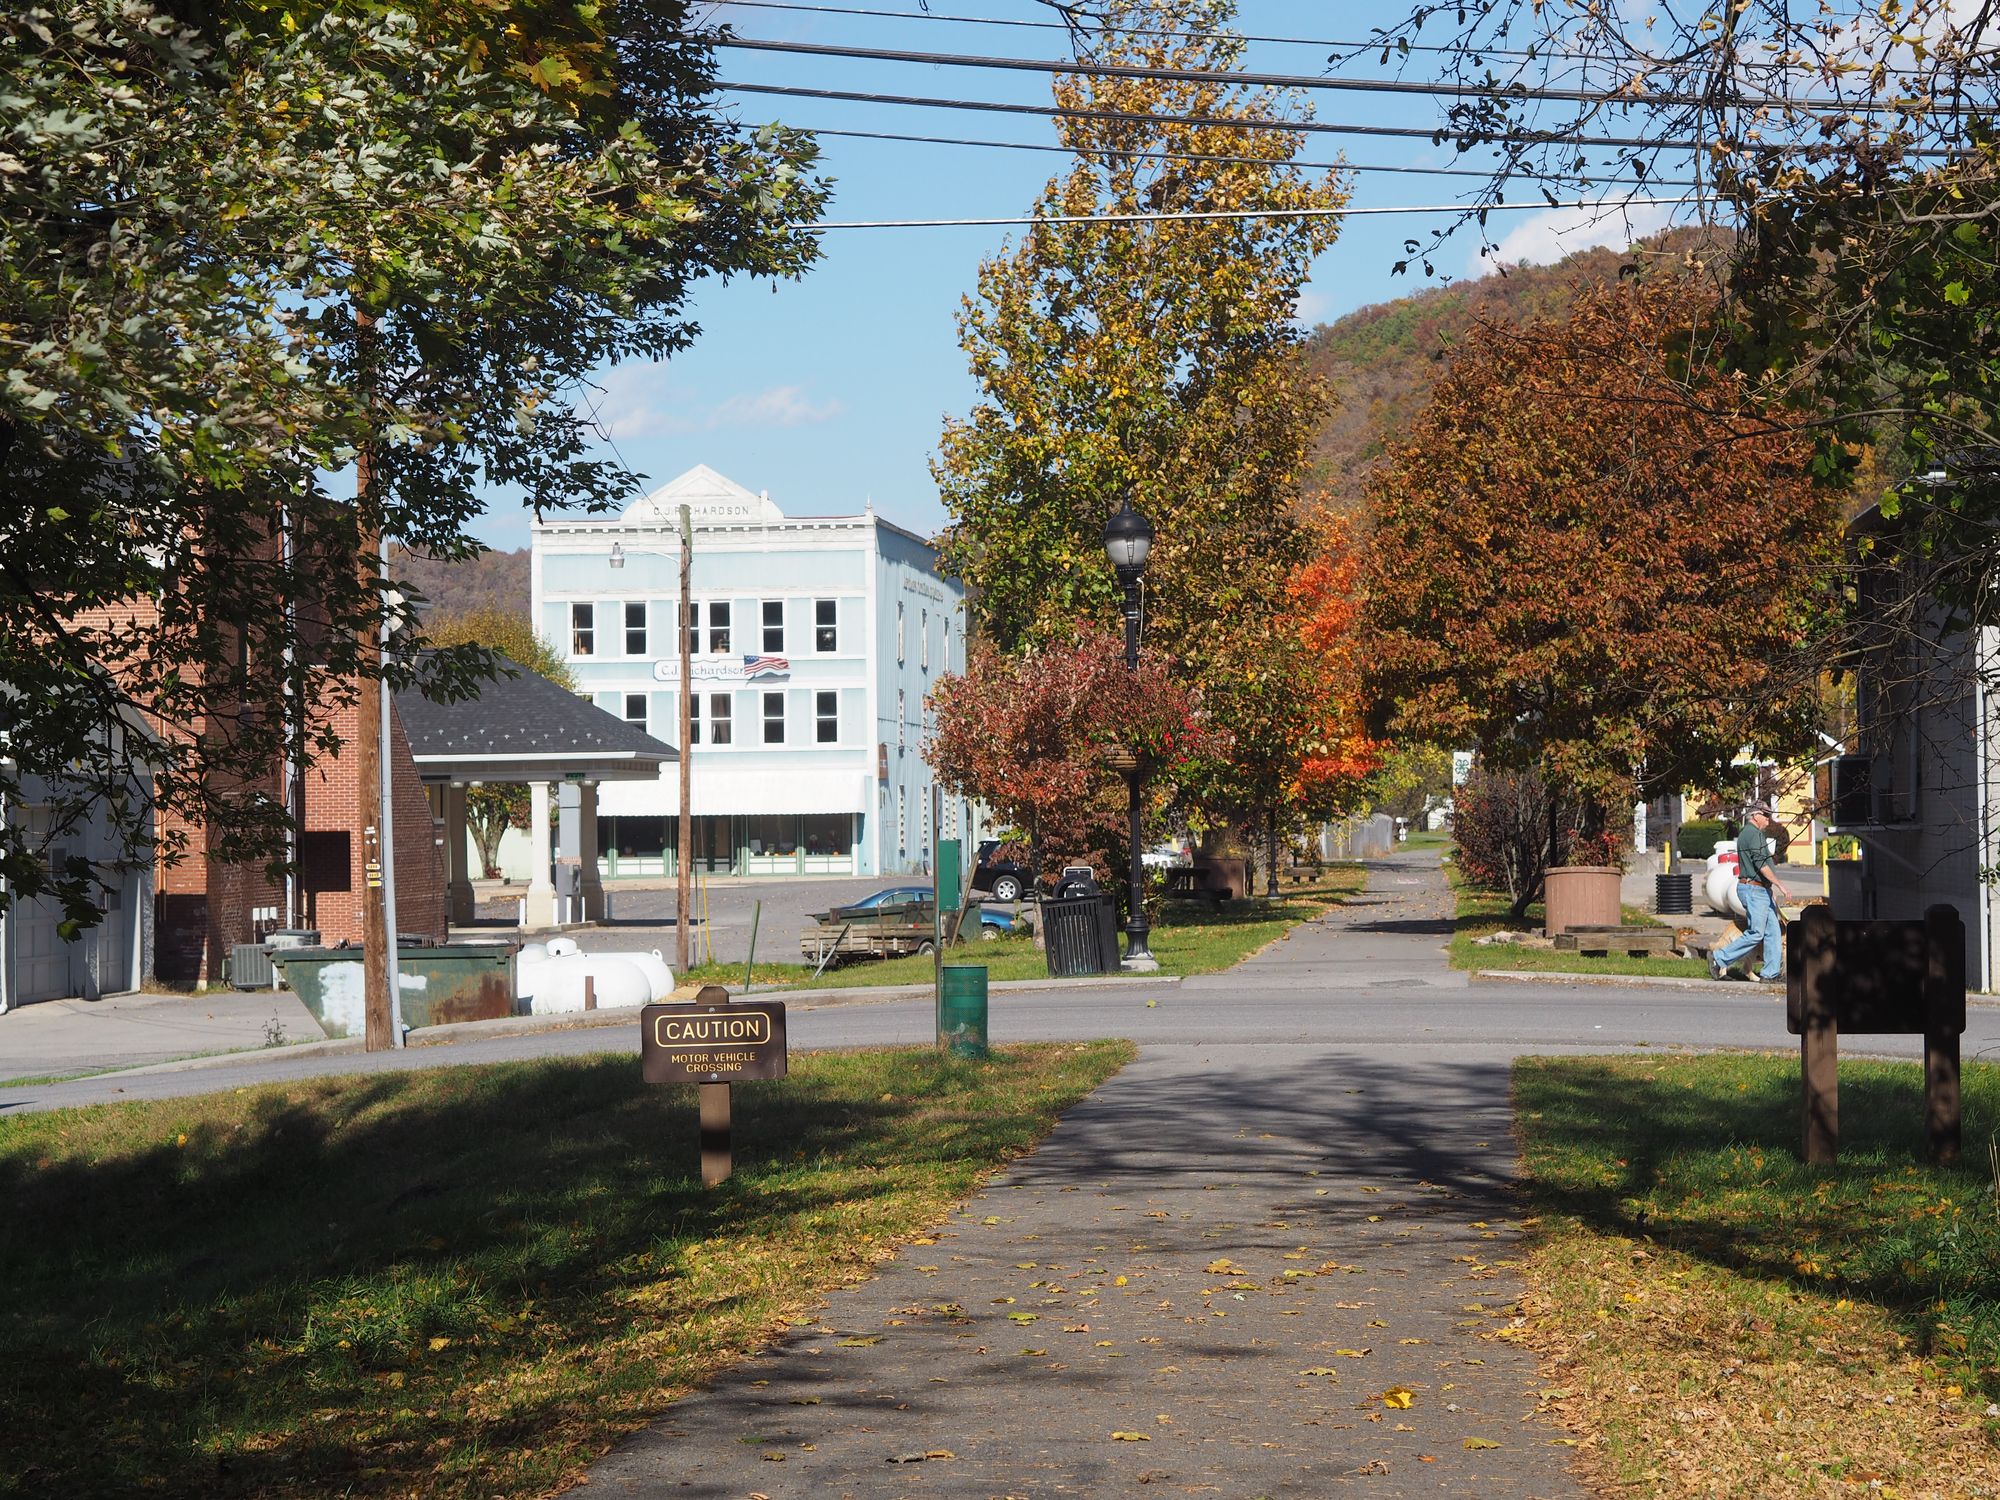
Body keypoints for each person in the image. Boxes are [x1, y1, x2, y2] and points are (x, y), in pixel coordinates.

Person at [1710, 801, 1795, 982]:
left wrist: (1768, 888)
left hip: (1759, 889)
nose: (1768, 820)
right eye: (1766, 815)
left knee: (1773, 931)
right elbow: (1761, 865)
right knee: (1756, 932)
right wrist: (1780, 885)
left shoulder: (1750, 834)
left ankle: (1770, 974)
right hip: (1753, 889)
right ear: (1755, 815)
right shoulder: (1753, 834)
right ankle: (1719, 958)